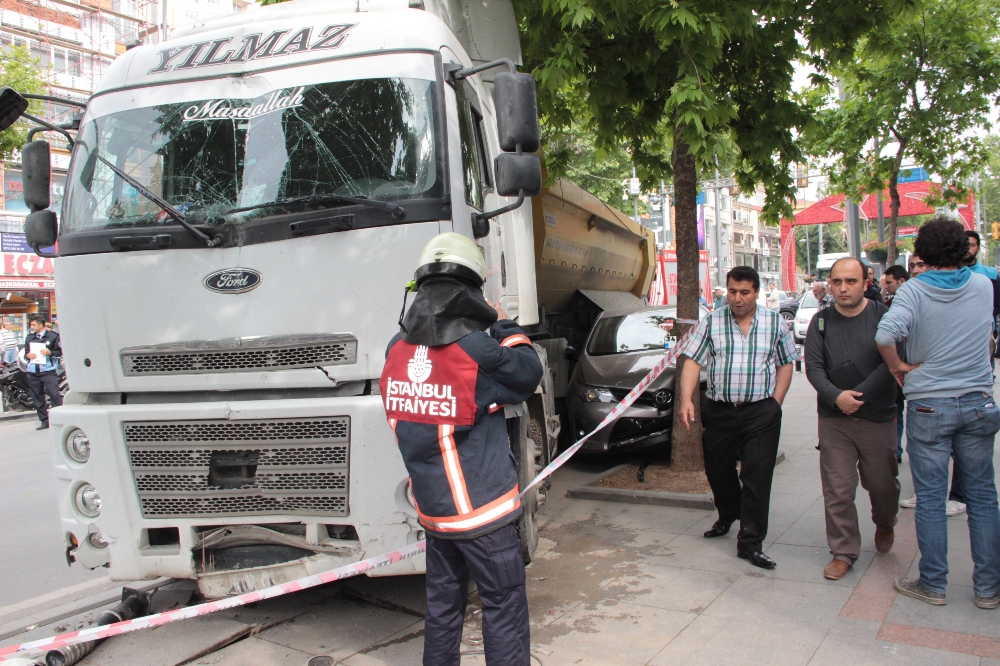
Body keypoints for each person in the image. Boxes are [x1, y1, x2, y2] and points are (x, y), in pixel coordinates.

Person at [380, 233, 543, 666]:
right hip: (483, 515)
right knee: (503, 607)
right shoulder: (474, 349)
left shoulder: (395, 350)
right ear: (470, 290)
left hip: (436, 514)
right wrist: (506, 326)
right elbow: (527, 374)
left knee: (442, 609)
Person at [876, 217, 1000, 610]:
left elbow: (885, 335)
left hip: (930, 403)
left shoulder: (914, 291)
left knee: (930, 498)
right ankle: (988, 589)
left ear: (922, 253)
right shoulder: (982, 286)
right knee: (983, 497)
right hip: (978, 402)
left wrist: (898, 367)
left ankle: (933, 584)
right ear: (963, 248)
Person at [677, 265, 798, 570]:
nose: (737, 298)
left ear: (756, 292)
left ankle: (751, 542)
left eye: (744, 292)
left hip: (761, 412)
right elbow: (692, 361)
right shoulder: (712, 322)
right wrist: (687, 399)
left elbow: (786, 363)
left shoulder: (774, 323)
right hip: (720, 411)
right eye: (732, 291)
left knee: (757, 475)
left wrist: (776, 402)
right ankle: (729, 512)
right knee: (718, 470)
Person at [805, 258, 900, 580]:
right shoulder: (820, 322)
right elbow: (813, 367)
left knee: (882, 485)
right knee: (838, 490)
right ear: (829, 285)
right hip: (834, 420)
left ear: (865, 283)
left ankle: (885, 523)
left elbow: (891, 364)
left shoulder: (884, 317)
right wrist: (836, 397)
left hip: (877, 417)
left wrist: (857, 397)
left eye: (851, 281)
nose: (843, 288)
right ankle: (843, 552)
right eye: (837, 282)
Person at [883, 265, 910, 462]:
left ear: (901, 281)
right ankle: (896, 450)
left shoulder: (916, 303)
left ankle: (898, 450)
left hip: (912, 367)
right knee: (896, 411)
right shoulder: (888, 304)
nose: (886, 286)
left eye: (889, 282)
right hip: (898, 368)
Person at [24, 315, 63, 430]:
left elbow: (59, 352)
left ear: (41, 325)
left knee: (54, 395)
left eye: (33, 325)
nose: (31, 327)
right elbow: (26, 353)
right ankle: (44, 420)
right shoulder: (30, 337)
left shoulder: (53, 336)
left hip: (47, 371)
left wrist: (49, 353)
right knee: (37, 397)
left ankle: (59, 419)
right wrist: (28, 355)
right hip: (33, 371)